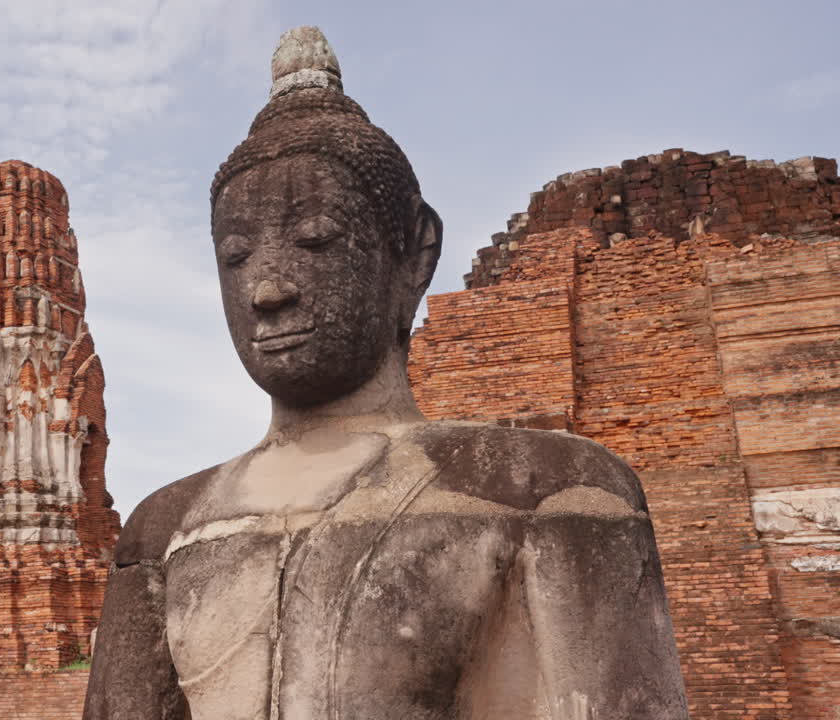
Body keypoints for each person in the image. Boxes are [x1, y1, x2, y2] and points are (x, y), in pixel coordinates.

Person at [84, 26, 688, 720]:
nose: (268, 290)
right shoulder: (166, 528)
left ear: (413, 255)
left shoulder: (551, 490)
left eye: (316, 240)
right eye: (236, 256)